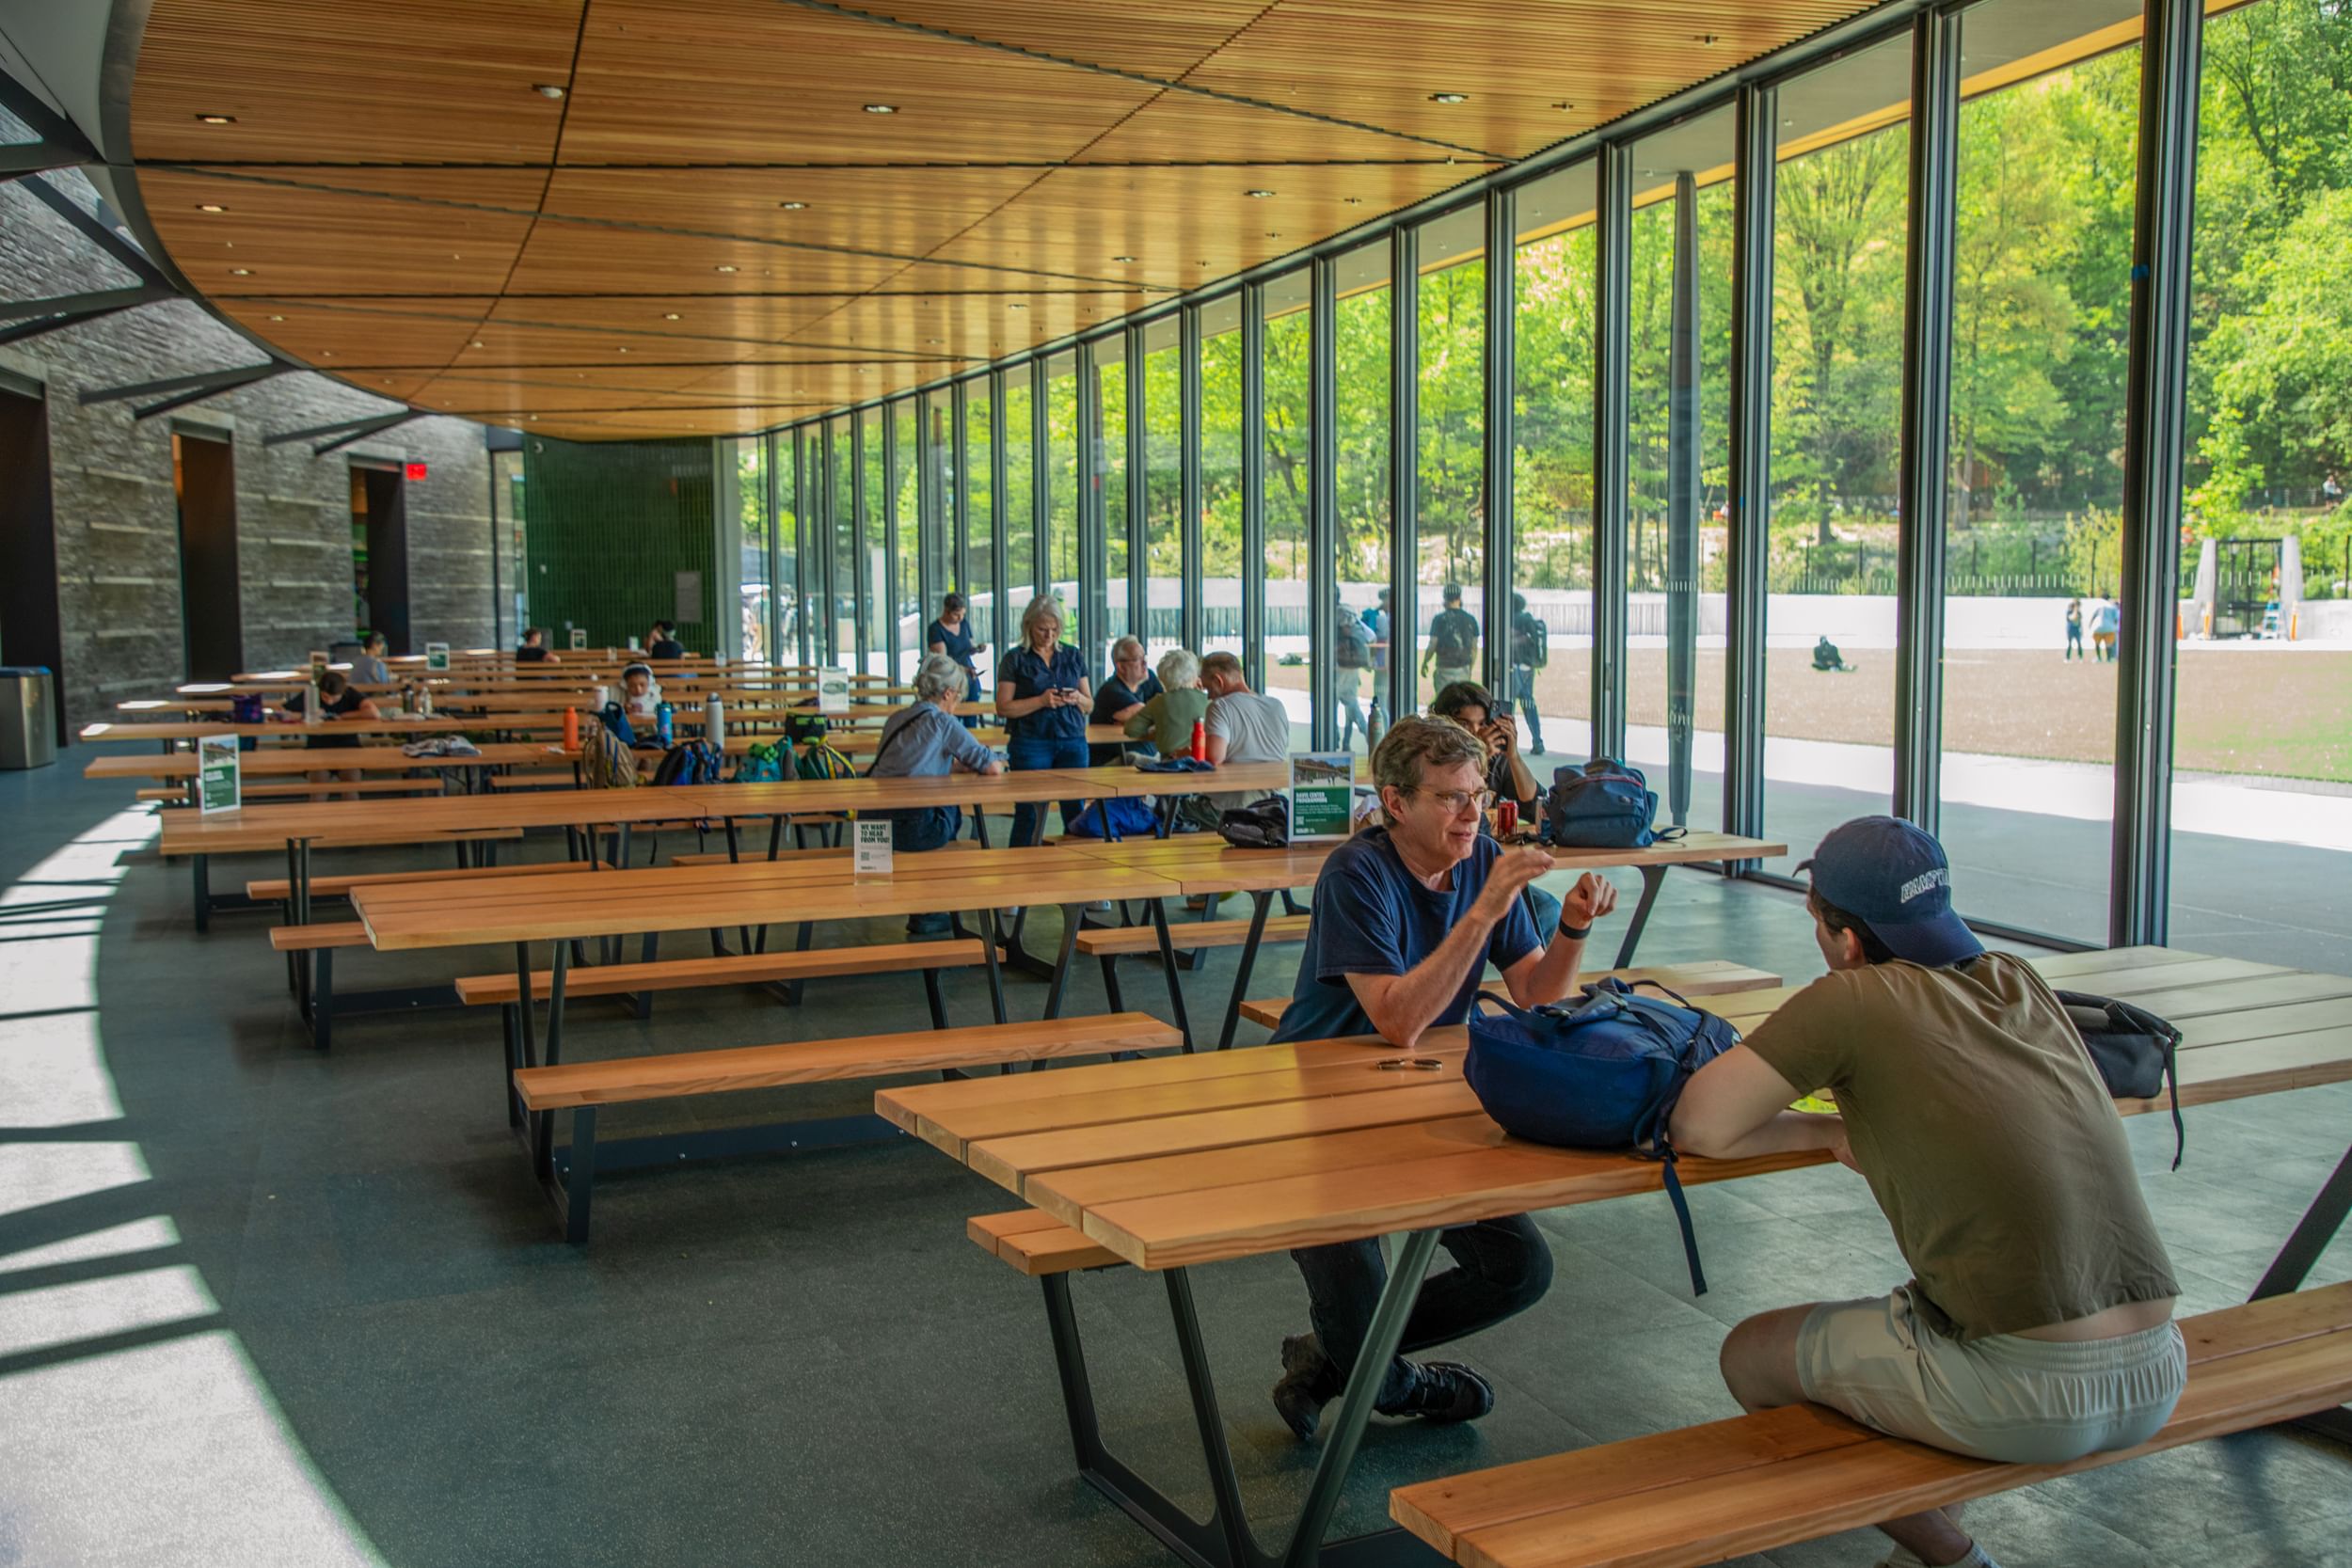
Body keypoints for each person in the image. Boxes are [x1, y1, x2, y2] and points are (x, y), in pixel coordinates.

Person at [1670, 817, 2183, 1568]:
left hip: (2037, 1392)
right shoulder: (2018, 977)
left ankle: (1952, 1557)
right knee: (1933, 1311)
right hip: (2160, 1363)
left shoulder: (1852, 999)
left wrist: (1829, 1132)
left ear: (1843, 939)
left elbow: (1700, 1123)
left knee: (1752, 1355)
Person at [1266, 716, 1619, 1440]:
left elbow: (1536, 994)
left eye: (1478, 795)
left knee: (1520, 1268)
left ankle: (1338, 1357)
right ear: (1396, 803)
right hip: (1319, 1110)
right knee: (1353, 1269)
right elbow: (1398, 1018)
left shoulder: (1483, 855)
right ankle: (1392, 1376)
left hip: (1424, 1094)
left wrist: (1572, 929)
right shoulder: (1355, 873)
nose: (1473, 814)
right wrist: (1487, 904)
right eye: (1452, 798)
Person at [871, 654, 1006, 934]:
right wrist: (999, 761)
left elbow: (907, 765)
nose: (957, 703)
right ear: (948, 693)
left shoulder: (896, 718)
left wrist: (953, 766)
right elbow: (992, 767)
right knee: (951, 812)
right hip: (915, 830)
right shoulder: (944, 723)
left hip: (873, 825)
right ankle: (930, 908)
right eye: (958, 696)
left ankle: (926, 906)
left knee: (937, 806)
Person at [1430, 680, 1557, 930]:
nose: (1475, 733)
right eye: (1465, 725)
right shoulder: (1434, 762)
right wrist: (1478, 758)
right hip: (1448, 876)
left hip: (1489, 873)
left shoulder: (1497, 761)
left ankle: (1530, 969)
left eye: (1482, 725)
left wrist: (1513, 756)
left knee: (1546, 909)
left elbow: (1534, 805)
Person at [995, 596, 1091, 847]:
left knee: (1076, 808)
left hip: (1072, 739)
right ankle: (1021, 865)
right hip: (1030, 741)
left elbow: (1090, 704)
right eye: (1042, 629)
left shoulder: (1072, 655)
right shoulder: (1015, 659)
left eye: (1054, 629)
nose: (1049, 635)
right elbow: (1003, 707)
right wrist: (1040, 701)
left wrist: (1077, 698)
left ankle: (1077, 865)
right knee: (1029, 810)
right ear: (1028, 626)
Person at [1173, 650, 1291, 835]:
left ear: (1219, 681)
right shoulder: (1276, 706)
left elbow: (1214, 757)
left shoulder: (1220, 706)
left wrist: (1185, 754)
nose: (1209, 696)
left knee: (1166, 812)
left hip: (1227, 809)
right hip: (1269, 807)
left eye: (1208, 688)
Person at [281, 670, 380, 785]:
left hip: (348, 747)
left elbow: (374, 713)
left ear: (343, 693)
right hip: (317, 748)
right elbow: (283, 713)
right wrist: (307, 714)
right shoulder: (312, 694)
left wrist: (342, 716)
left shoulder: (350, 693)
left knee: (351, 781)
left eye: (334, 698)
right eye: (325, 696)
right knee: (319, 784)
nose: (329, 701)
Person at [1124, 647, 1209, 758]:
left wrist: (1159, 731)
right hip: (1202, 762)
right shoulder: (1208, 701)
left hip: (1169, 765)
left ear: (1163, 678)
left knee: (1130, 758)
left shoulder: (1159, 702)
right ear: (1194, 675)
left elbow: (1131, 729)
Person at [1090, 636, 1162, 763]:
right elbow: (1150, 715)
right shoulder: (1111, 690)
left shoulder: (1149, 677)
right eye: (1137, 660)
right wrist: (1149, 717)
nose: (1144, 663)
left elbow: (1167, 709)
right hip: (1117, 759)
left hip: (1148, 754)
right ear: (1121, 667)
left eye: (1144, 658)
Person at [927, 593, 987, 727]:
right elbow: (942, 659)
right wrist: (961, 669)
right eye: (956, 614)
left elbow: (969, 647)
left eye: (963, 614)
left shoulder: (964, 624)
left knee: (971, 714)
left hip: (969, 675)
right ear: (946, 611)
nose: (960, 618)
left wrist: (977, 648)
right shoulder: (936, 629)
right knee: (952, 716)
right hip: (950, 678)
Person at [1505, 592, 1547, 754]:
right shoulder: (1528, 619)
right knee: (1528, 704)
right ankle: (1537, 740)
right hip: (1528, 668)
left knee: (1509, 707)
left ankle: (1507, 743)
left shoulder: (1511, 620)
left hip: (1514, 668)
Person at [1422, 583, 1479, 695]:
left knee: (1443, 703)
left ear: (1445, 598)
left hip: (1444, 668)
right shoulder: (1470, 620)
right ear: (1459, 597)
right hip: (1464, 668)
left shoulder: (1439, 619)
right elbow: (1474, 648)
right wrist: (1470, 667)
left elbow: (1432, 644)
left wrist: (1425, 662)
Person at [1333, 596, 1372, 749]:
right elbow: (1369, 635)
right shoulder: (1349, 610)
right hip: (1353, 669)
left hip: (1340, 668)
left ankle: (1334, 740)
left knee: (1334, 708)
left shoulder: (1338, 613)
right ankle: (1347, 742)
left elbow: (1344, 630)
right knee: (1352, 707)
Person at [2090, 598, 2120, 662]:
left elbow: (2094, 616)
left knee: (2097, 644)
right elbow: (2116, 619)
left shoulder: (2100, 607)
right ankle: (2108, 659)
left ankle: (2099, 658)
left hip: (2098, 628)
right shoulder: (2114, 608)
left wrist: (2090, 625)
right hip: (2109, 628)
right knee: (2109, 645)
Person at [2063, 598, 2085, 662]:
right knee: (2069, 644)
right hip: (2071, 629)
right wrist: (2075, 610)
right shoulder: (2069, 611)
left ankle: (2080, 657)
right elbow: (2072, 618)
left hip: (2077, 629)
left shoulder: (2079, 612)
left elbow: (2080, 621)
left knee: (2079, 643)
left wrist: (2082, 630)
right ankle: (2067, 658)